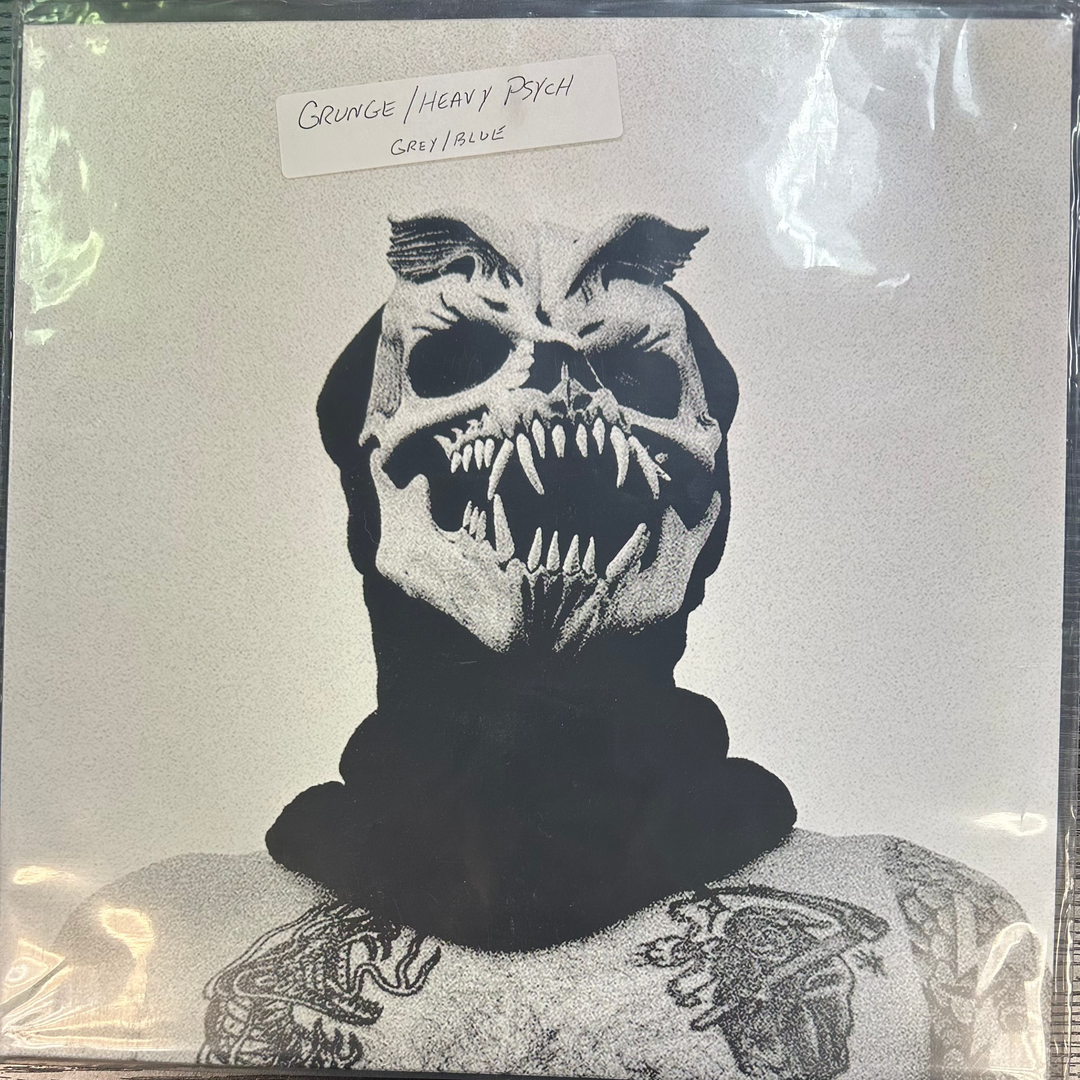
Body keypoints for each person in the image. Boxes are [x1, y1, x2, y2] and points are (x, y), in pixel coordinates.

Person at [10, 214, 1046, 1079]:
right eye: (462, 360)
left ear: (713, 503)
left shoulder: (936, 936)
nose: (558, 391)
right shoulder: (150, 935)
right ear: (366, 483)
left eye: (633, 374)